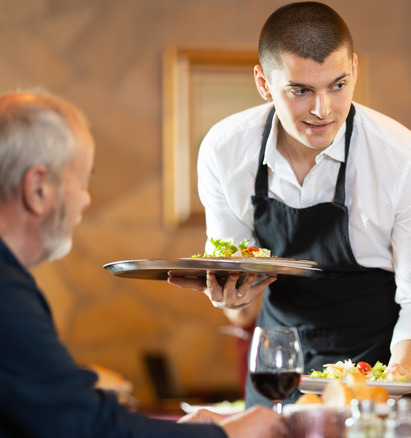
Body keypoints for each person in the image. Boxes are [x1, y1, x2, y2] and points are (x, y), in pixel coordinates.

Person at [168, 1, 411, 408]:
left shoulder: (404, 161)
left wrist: (389, 383)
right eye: (301, 91)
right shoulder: (224, 150)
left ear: (354, 67)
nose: (323, 110)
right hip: (278, 371)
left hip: (378, 368)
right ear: (264, 83)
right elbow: (234, 269)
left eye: (338, 84)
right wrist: (232, 298)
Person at [0, 89, 287, 438]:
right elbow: (84, 427)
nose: (86, 200)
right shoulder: (7, 295)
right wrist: (228, 435)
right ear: (38, 189)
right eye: (83, 181)